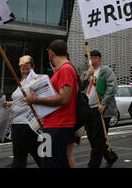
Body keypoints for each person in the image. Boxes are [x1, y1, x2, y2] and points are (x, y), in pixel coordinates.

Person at [24, 39, 78, 168]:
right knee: (58, 162)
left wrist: (35, 100)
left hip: (58, 125)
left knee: (48, 163)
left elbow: (64, 98)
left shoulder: (65, 69)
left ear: (51, 53)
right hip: (54, 124)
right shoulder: (62, 70)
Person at [81, 49, 119, 168]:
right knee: (93, 139)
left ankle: (93, 165)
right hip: (89, 109)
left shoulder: (105, 71)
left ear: (98, 58)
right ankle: (110, 156)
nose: (89, 60)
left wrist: (103, 103)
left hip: (101, 110)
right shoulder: (86, 72)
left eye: (91, 57)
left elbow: (112, 87)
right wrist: (87, 75)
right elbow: (80, 87)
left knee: (99, 139)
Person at [3, 56, 41, 168]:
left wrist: (32, 99)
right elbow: (20, 100)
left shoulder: (36, 80)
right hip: (18, 124)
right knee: (38, 156)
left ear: (33, 67)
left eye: (27, 69)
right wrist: (10, 104)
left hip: (26, 124)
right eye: (22, 69)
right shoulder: (23, 81)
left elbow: (37, 99)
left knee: (20, 158)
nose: (25, 71)